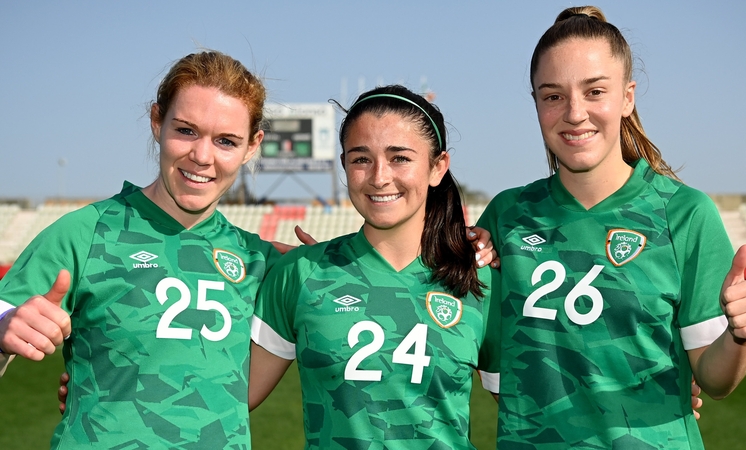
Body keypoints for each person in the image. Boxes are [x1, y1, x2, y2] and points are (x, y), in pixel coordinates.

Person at [476, 6, 746, 449]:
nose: (575, 113)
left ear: (627, 97)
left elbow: (715, 379)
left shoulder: (685, 213)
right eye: (553, 96)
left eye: (595, 91)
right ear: (535, 102)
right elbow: (498, 374)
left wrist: (739, 334)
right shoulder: (505, 216)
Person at [0, 50, 284, 448]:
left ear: (252, 146)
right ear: (157, 121)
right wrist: (3, 332)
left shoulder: (260, 261)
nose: (202, 156)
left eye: (226, 141)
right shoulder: (84, 232)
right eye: (186, 131)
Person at [248, 85, 501, 449]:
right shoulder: (300, 275)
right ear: (344, 165)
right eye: (361, 159)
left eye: (400, 158)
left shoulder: (479, 281)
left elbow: (534, 414)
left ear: (437, 167)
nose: (379, 177)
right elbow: (224, 399)